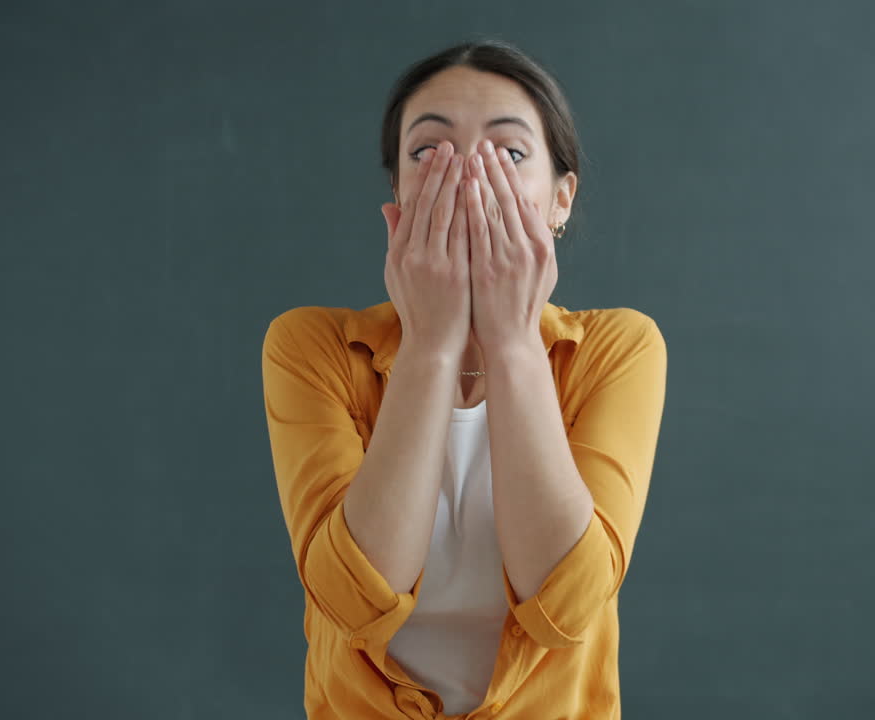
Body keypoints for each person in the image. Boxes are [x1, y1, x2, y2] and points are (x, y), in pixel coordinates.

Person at [261, 37, 667, 719]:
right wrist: (430, 342)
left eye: (510, 153)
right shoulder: (310, 346)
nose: (471, 178)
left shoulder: (618, 348)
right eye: (430, 153)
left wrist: (510, 339)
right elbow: (354, 601)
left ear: (561, 199)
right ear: (396, 193)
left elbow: (566, 606)